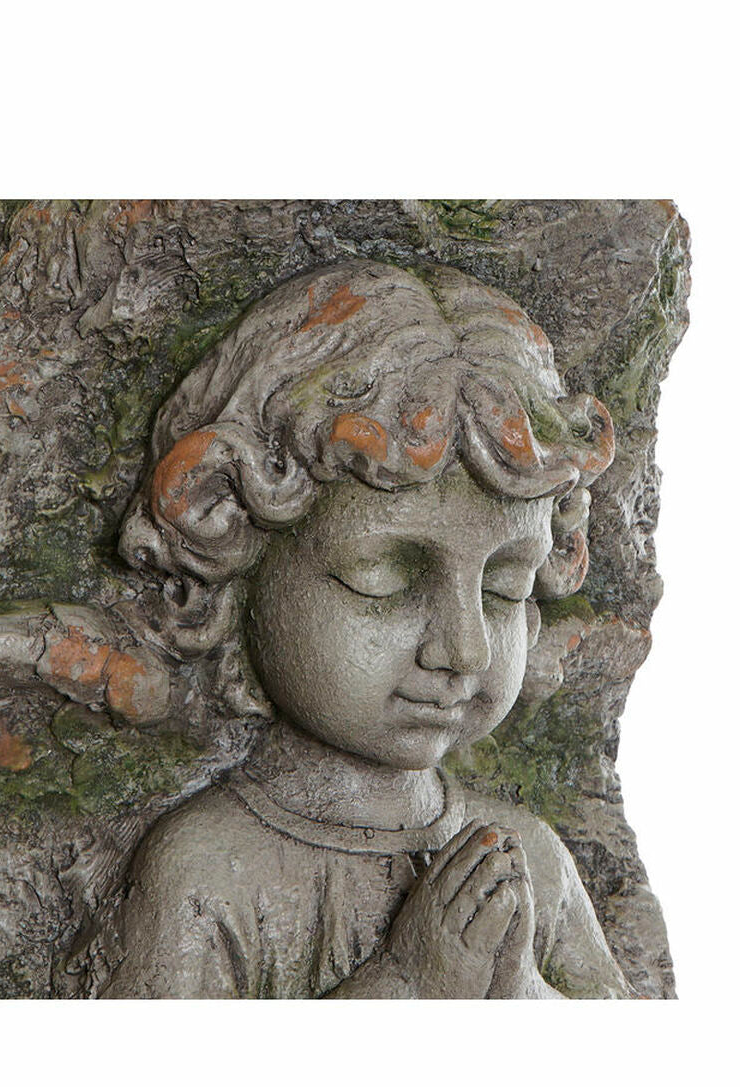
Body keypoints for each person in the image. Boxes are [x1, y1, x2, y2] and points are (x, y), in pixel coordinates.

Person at [90, 260, 630, 997]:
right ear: (238, 557)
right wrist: (407, 983)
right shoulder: (205, 875)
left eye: (503, 588)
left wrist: (521, 993)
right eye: (385, 580)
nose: (465, 648)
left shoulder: (529, 861)